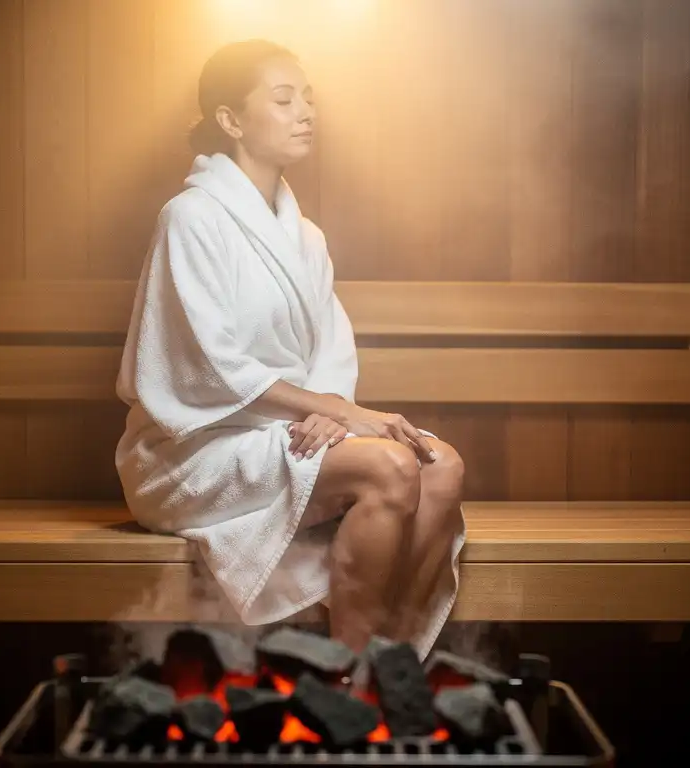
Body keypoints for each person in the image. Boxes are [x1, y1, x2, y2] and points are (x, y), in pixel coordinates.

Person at [115, 39, 465, 657]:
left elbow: (330, 346)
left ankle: (389, 663)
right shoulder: (190, 218)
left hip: (286, 432)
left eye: (308, 98)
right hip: (192, 451)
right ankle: (346, 670)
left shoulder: (305, 236)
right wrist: (336, 411)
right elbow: (205, 366)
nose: (305, 112)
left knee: (443, 467)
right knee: (389, 466)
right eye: (283, 100)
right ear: (230, 120)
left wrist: (329, 411)